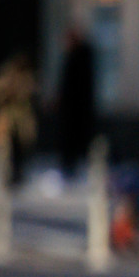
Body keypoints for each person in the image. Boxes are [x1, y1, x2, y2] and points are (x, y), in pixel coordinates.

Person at [0, 53, 37, 188]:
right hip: (8, 120)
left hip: (21, 121)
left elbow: (30, 94)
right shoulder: (6, 75)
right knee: (5, 150)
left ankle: (17, 175)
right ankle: (7, 176)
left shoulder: (26, 77)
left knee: (20, 151)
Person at [56, 27, 95, 178]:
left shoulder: (78, 58)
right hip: (73, 110)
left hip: (75, 111)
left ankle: (72, 168)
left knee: (75, 140)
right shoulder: (76, 57)